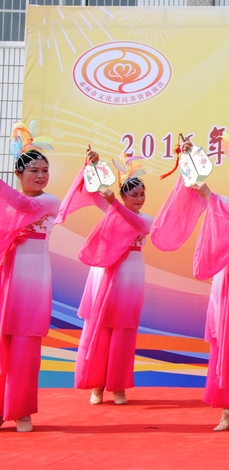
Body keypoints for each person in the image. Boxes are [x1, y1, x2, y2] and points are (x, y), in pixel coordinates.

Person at [151, 139, 229, 434]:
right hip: (225, 274)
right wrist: (189, 159)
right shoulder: (225, 203)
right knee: (224, 342)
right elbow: (195, 194)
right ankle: (228, 405)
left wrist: (209, 195)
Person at [56, 149, 153, 405]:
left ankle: (118, 387)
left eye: (142, 194)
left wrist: (114, 204)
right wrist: (93, 165)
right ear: (122, 195)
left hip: (130, 275)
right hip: (104, 272)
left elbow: (136, 224)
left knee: (123, 332)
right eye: (133, 194)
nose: (139, 198)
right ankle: (96, 385)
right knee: (99, 329)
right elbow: (93, 190)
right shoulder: (111, 209)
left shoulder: (146, 219)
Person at [0, 122, 59, 432]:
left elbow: (23, 204)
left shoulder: (48, 202)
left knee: (25, 346)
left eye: (44, 170)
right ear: (18, 174)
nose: (40, 175)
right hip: (6, 275)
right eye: (33, 170)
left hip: (34, 278)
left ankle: (21, 411)